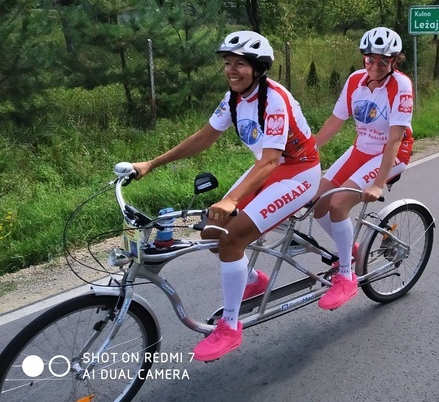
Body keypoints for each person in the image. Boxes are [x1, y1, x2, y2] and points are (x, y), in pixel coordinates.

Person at [132, 31, 321, 361]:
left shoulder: (273, 98)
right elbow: (204, 137)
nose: (232, 70)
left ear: (258, 68)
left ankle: (230, 328)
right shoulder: (234, 98)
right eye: (228, 63)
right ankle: (252, 278)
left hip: (298, 171)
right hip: (268, 168)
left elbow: (272, 160)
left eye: (241, 65)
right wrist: (151, 163)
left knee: (231, 237)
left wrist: (232, 200)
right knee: (210, 231)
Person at [311, 26, 414, 310]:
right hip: (362, 148)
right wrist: (309, 150)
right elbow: (335, 121)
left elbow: (395, 137)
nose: (376, 66)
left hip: (392, 152)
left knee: (338, 204)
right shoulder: (355, 81)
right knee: (315, 201)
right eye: (370, 59)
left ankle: (346, 277)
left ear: (395, 61)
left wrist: (378, 183)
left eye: (384, 60)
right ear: (363, 58)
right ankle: (353, 251)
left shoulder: (400, 86)